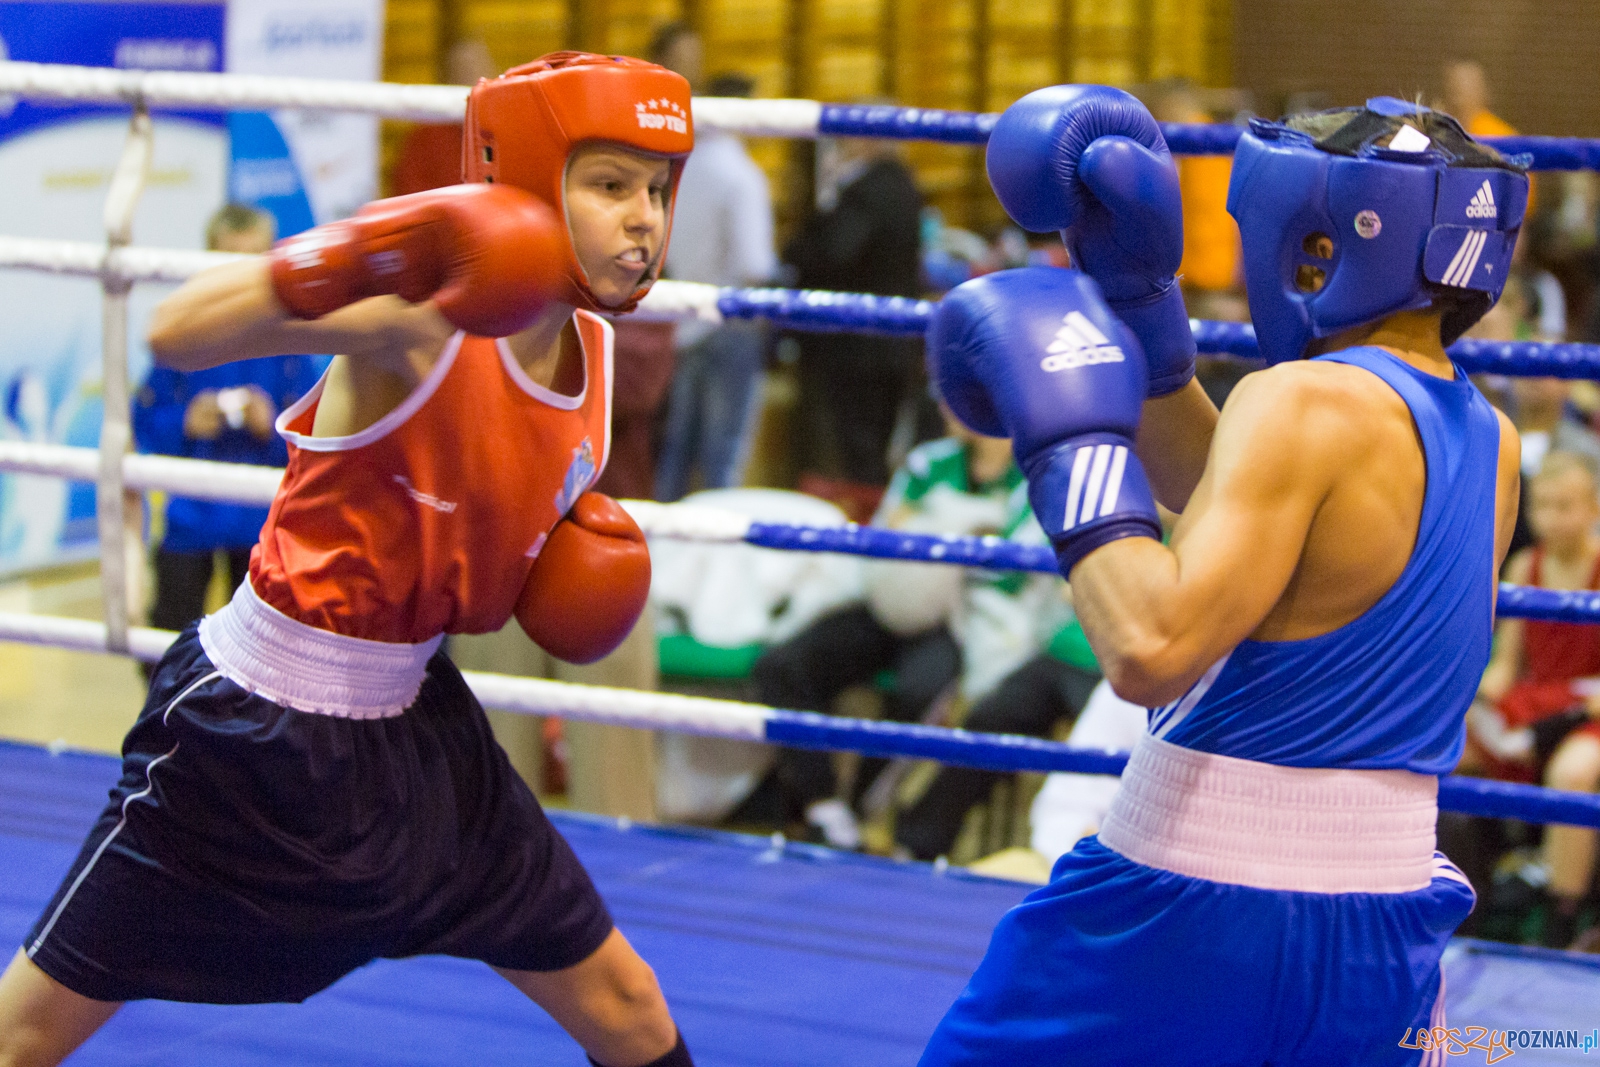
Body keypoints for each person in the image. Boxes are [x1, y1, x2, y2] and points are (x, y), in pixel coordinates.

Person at [0, 53, 698, 1067]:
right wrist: (362, 253)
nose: (644, 220)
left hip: (422, 723)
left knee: (626, 1003)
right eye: (609, 185)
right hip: (252, 731)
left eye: (657, 190)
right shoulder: (420, 320)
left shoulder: (591, 357)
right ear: (532, 184)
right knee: (28, 1029)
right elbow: (176, 330)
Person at [918, 88, 1523, 1066]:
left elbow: (1150, 647)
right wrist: (1146, 333)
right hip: (1382, 923)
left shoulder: (1298, 401)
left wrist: (1069, 439)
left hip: (1194, 902)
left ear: (1321, 240)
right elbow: (1262, 527)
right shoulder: (1488, 441)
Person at [749, 418, 1017, 848]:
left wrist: (932, 528)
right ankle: (824, 808)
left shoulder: (1032, 476)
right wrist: (962, 533)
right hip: (886, 602)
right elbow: (887, 530)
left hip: (959, 621)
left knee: (922, 690)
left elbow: (1014, 568)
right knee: (783, 666)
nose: (946, 403)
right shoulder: (929, 462)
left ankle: (860, 813)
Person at [134, 204, 322, 649]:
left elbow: (322, 439)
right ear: (207, 262)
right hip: (190, 518)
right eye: (228, 262)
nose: (240, 276)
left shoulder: (294, 338)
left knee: (262, 652)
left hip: (263, 523)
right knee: (166, 646)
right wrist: (185, 423)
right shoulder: (183, 333)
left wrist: (274, 426)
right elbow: (145, 425)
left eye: (252, 262)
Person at [1471, 451, 1600, 947]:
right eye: (1542, 506)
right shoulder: (1526, 564)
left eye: (1565, 505)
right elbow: (1505, 667)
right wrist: (1470, 700)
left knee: (1572, 774)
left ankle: (1560, 921)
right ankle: (1468, 896)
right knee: (1442, 747)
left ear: (1592, 508)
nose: (1551, 518)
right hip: (1536, 702)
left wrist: (1557, 720)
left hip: (1588, 713)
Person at [786, 123, 924, 521]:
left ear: (865, 136)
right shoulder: (903, 185)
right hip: (892, 339)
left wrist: (804, 239)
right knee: (874, 448)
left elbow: (834, 251)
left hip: (860, 344)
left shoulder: (868, 190)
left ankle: (867, 541)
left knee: (860, 450)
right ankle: (873, 534)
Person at [655, 70, 778, 501]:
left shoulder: (680, 172)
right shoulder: (742, 177)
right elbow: (755, 263)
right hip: (730, 321)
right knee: (722, 454)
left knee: (679, 448)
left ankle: (664, 551)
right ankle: (715, 561)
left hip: (684, 316)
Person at [391, 40, 498, 196]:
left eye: (480, 70)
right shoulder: (425, 139)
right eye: (463, 71)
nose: (474, 79)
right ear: (447, 79)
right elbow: (409, 199)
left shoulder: (508, 133)